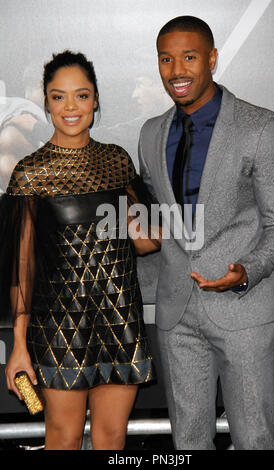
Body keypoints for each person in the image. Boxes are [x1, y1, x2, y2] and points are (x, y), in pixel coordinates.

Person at [138, 16, 274, 450]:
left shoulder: (263, 127)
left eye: (189, 57)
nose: (177, 71)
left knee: (254, 440)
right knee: (188, 443)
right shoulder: (151, 133)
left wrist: (246, 270)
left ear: (211, 58)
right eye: (166, 59)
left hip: (243, 307)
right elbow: (161, 212)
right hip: (177, 313)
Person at [2, 50, 158, 450]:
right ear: (46, 102)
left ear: (96, 100)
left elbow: (145, 241)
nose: (71, 107)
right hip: (59, 326)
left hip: (119, 317)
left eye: (81, 95)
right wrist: (19, 346)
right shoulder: (30, 172)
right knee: (63, 437)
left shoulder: (117, 161)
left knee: (111, 439)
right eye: (58, 97)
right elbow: (23, 267)